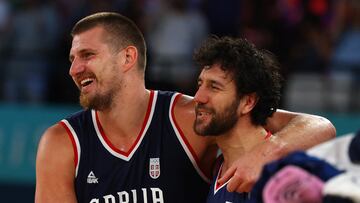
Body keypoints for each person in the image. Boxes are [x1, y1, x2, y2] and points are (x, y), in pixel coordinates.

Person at [35, 12, 335, 203]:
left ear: (127, 58)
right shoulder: (62, 143)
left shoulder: (190, 116)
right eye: (72, 58)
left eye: (87, 55)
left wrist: (266, 153)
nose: (74, 68)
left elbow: (319, 126)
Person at [191, 36, 282, 202]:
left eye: (214, 87)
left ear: (248, 102)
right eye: (200, 84)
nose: (198, 97)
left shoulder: (281, 176)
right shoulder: (218, 167)